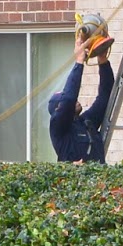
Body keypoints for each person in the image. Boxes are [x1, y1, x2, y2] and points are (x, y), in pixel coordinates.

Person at [48, 19, 114, 163]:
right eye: (64, 103)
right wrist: (79, 61)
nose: (75, 101)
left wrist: (102, 61)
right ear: (58, 109)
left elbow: (105, 96)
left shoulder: (86, 122)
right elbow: (69, 99)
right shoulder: (59, 128)